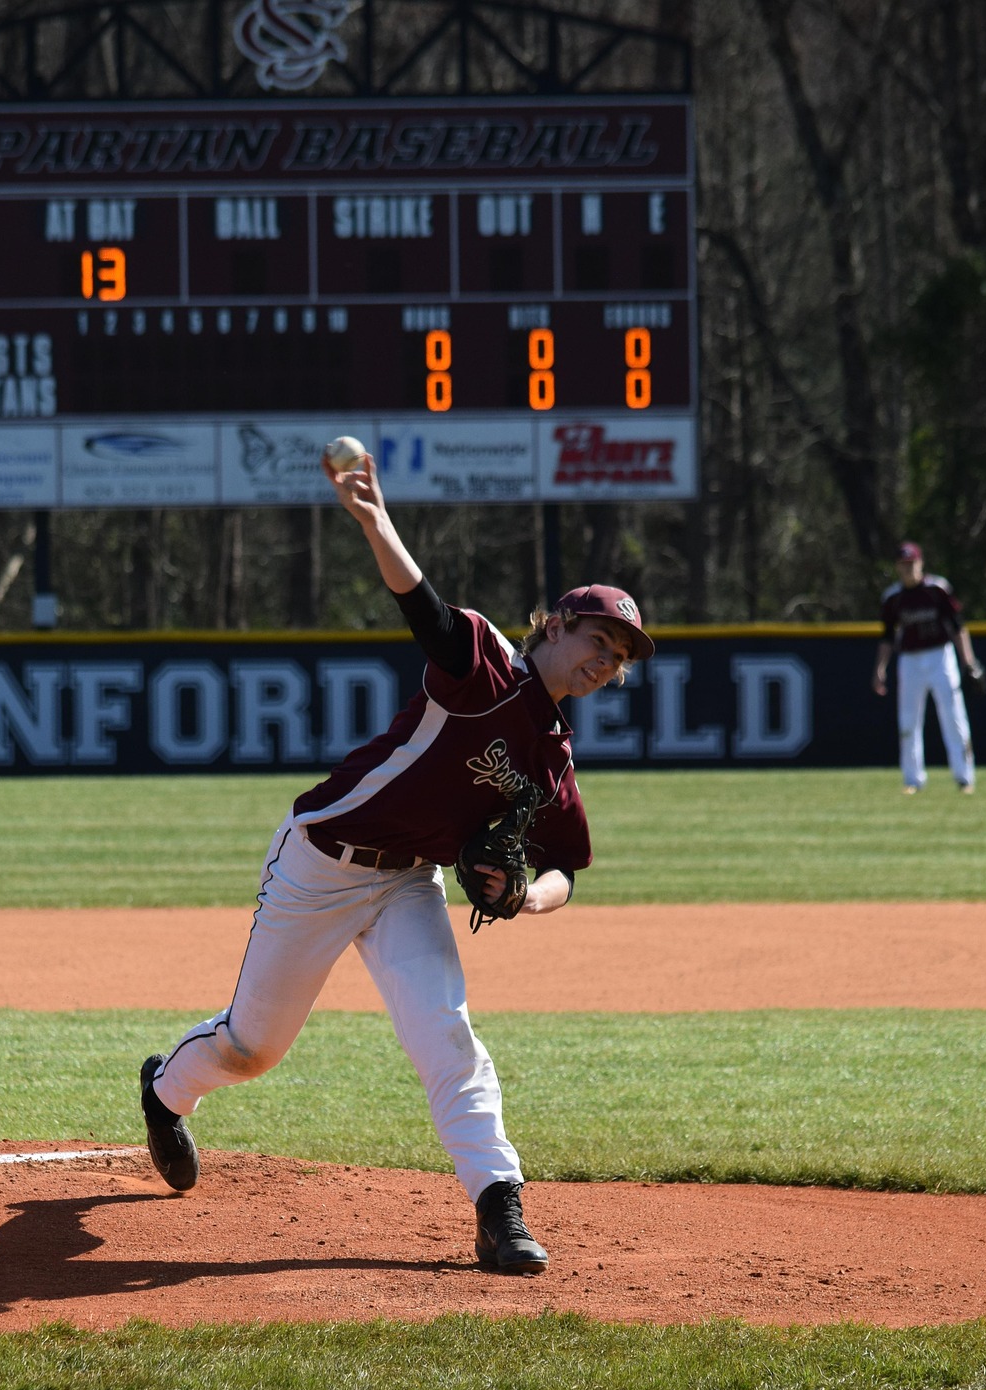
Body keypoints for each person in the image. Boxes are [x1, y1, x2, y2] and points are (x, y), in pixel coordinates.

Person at [138, 451, 653, 1275]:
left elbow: (567, 869)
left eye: (620, 659)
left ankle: (500, 1208)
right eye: (600, 640)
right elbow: (426, 608)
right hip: (320, 859)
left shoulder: (554, 755)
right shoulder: (482, 665)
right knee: (254, 1047)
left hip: (408, 882)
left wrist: (525, 895)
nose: (606, 662)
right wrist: (376, 522)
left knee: (446, 1035)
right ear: (555, 625)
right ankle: (166, 1091)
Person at [874, 540, 984, 793]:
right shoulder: (893, 598)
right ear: (896, 567)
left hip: (940, 656)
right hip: (910, 659)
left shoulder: (937, 589)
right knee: (908, 720)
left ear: (921, 563)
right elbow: (887, 636)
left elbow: (958, 626)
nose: (908, 569)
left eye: (911, 563)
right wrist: (880, 669)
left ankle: (965, 777)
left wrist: (969, 662)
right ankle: (912, 780)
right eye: (903, 564)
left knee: (954, 716)